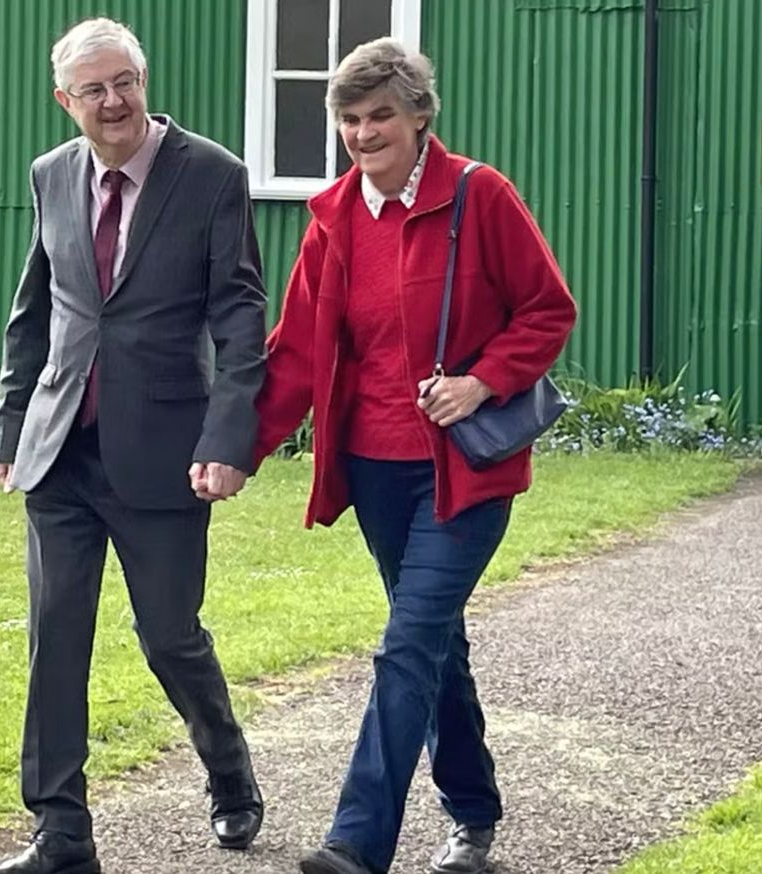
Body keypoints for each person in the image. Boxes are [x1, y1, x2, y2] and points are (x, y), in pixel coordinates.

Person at [253, 38, 577, 874]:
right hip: (376, 472)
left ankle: (356, 845)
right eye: (350, 120)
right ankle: (473, 819)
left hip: (464, 471)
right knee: (432, 642)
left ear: (420, 115)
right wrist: (233, 452)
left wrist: (480, 382)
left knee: (407, 644)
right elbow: (293, 355)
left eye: (380, 116)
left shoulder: (480, 195)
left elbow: (548, 309)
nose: (363, 134)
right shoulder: (330, 222)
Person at [0, 17, 267, 874]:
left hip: (167, 454)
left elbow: (240, 316)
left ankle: (229, 774)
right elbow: (35, 310)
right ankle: (61, 834)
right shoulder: (51, 175)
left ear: (145, 80)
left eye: (125, 82)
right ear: (64, 100)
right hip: (61, 450)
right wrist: (9, 426)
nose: (114, 102)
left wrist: (229, 438)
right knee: (55, 636)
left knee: (169, 635)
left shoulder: (213, 175)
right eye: (93, 89)